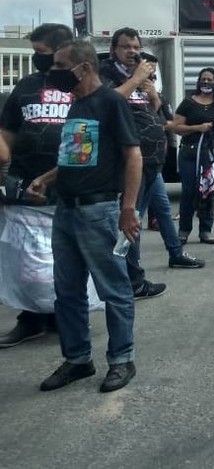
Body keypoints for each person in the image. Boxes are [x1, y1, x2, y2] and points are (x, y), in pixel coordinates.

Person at [28, 39, 142, 393]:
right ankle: (78, 360)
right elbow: (75, 157)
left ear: (85, 67)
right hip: (66, 210)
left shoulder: (110, 102)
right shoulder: (76, 105)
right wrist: (46, 179)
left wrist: (128, 208)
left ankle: (122, 360)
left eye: (61, 66)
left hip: (99, 211)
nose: (53, 72)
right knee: (67, 291)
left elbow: (133, 156)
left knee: (114, 290)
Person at [0, 23, 73, 348]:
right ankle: (30, 319)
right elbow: (8, 133)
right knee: (27, 259)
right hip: (26, 184)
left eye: (41, 52)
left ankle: (62, 315)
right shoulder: (26, 85)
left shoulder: (81, 85)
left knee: (64, 258)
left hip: (69, 187)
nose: (36, 58)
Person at [97, 29, 182, 302]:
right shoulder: (106, 73)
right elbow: (105, 104)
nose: (133, 51)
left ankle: (175, 254)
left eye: (136, 46)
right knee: (130, 219)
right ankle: (132, 281)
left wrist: (152, 93)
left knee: (159, 212)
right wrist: (135, 80)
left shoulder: (143, 75)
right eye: (126, 47)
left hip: (153, 160)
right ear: (114, 50)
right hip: (129, 162)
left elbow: (161, 114)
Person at [173, 68, 214, 244]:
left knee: (208, 190)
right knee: (189, 191)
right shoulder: (188, 103)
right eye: (203, 79)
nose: (206, 82)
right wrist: (197, 128)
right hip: (190, 152)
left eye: (210, 80)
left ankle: (206, 230)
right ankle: (184, 230)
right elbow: (176, 128)